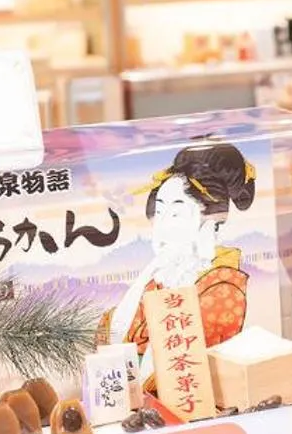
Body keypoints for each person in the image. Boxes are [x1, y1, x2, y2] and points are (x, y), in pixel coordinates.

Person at [104, 141, 256, 372]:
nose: (161, 225)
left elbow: (181, 366)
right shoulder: (160, 278)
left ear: (210, 223)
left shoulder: (222, 289)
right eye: (160, 211)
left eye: (176, 213)